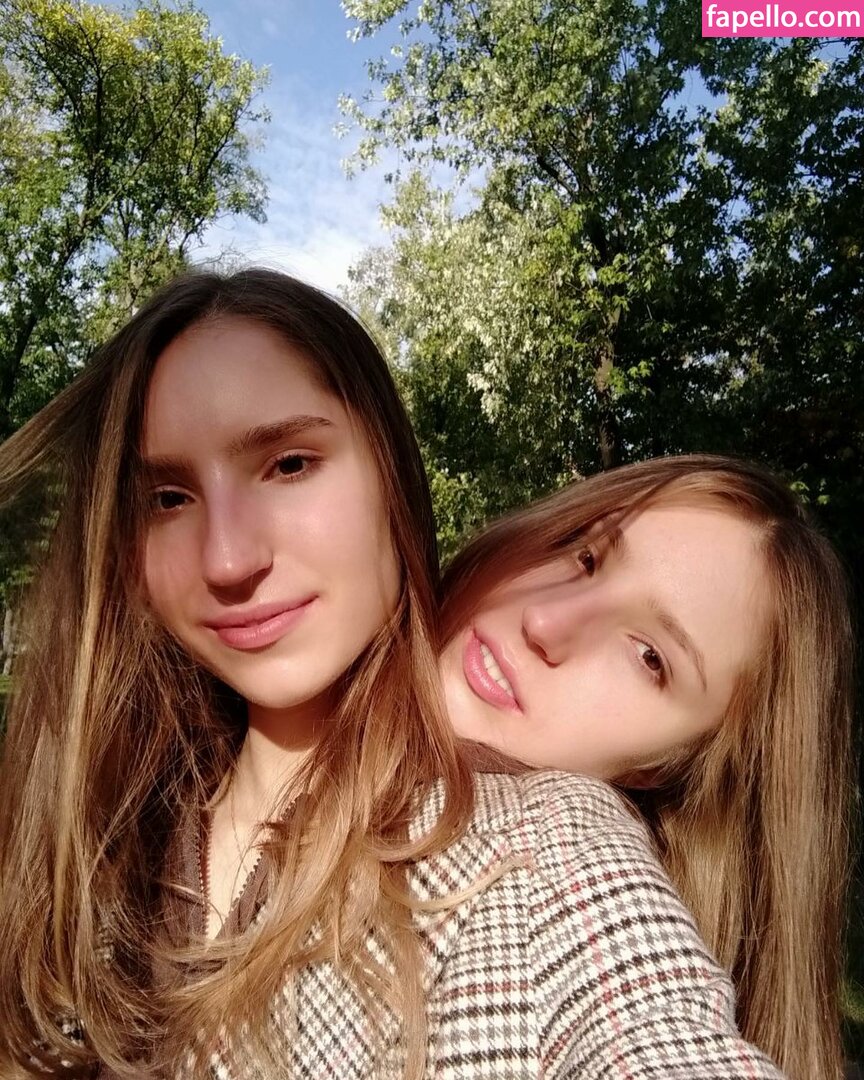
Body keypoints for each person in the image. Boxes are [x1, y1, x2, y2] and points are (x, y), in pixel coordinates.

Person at [0, 270, 785, 1079]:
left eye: (289, 464)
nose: (227, 560)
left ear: (392, 477)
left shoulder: (552, 854)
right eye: (168, 497)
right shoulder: (91, 820)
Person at [439, 454, 856, 1080]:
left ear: (661, 770)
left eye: (650, 658)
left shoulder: (574, 865)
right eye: (585, 556)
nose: (545, 621)